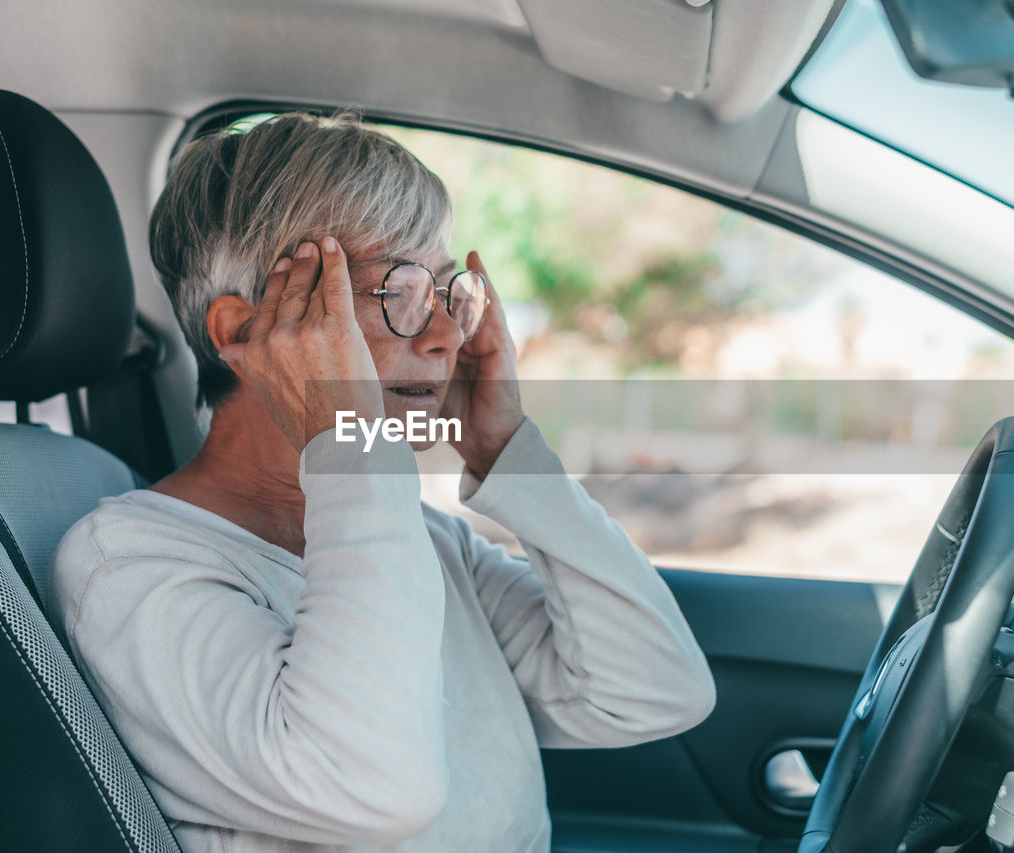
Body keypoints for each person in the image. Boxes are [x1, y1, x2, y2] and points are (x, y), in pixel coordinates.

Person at [49, 112, 715, 853]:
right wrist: (347, 440)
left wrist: (502, 449)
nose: (446, 334)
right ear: (244, 333)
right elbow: (373, 783)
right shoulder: (129, 567)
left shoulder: (421, 541)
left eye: (444, 291)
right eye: (397, 290)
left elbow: (658, 689)